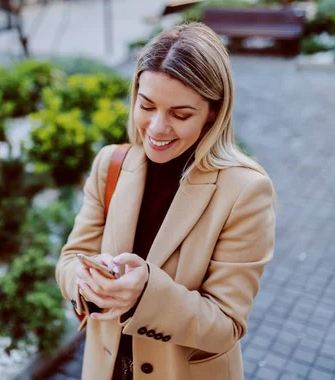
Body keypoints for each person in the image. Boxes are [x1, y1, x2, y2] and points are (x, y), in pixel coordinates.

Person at [55, 22, 276, 380]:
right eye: (147, 105)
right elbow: (69, 259)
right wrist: (86, 282)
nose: (157, 128)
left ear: (212, 114)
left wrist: (145, 294)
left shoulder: (245, 192)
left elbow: (226, 325)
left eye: (180, 114)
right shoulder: (110, 164)